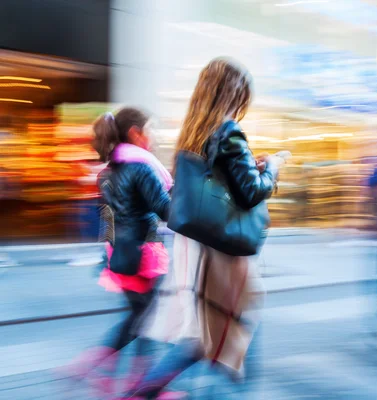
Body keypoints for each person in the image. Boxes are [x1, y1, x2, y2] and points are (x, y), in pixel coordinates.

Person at [122, 57, 285, 399]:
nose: (242, 106)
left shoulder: (193, 132)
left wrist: (247, 168)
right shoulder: (229, 132)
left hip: (198, 248)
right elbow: (252, 191)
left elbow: (214, 184)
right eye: (242, 97)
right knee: (231, 334)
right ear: (233, 93)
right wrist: (272, 167)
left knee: (208, 338)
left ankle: (144, 391)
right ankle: (145, 393)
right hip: (225, 252)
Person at [57, 107, 172, 397]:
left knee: (141, 315)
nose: (154, 136)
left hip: (119, 253)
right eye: (151, 129)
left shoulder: (108, 171)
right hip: (144, 254)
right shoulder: (142, 167)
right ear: (136, 133)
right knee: (143, 317)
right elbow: (166, 210)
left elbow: (108, 217)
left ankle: (123, 379)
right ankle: (104, 370)